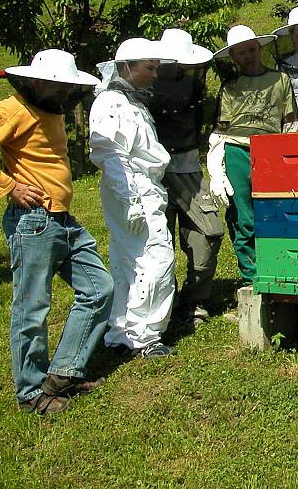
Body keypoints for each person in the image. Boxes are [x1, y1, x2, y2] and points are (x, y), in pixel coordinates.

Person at [0, 49, 112, 414]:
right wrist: (9, 187)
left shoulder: (46, 110)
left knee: (100, 288)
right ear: (38, 82)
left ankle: (64, 373)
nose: (64, 93)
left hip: (62, 219)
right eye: (60, 86)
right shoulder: (12, 110)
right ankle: (30, 393)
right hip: (34, 221)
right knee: (32, 307)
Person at [89, 38, 176, 359]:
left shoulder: (129, 101)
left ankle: (121, 332)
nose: (155, 75)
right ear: (127, 67)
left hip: (141, 187)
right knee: (156, 260)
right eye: (149, 68)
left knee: (130, 260)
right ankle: (143, 336)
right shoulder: (111, 103)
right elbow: (111, 154)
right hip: (132, 188)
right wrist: (131, 201)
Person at [207, 25, 298, 287]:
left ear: (259, 49)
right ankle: (250, 276)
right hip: (237, 151)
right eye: (241, 53)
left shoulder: (281, 80)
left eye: (251, 49)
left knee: (275, 211)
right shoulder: (230, 87)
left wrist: (292, 156)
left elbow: (289, 121)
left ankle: (278, 266)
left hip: (272, 151)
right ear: (233, 57)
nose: (248, 56)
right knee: (243, 216)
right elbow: (221, 131)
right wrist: (217, 168)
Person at [149, 29, 226, 329]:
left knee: (209, 233)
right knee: (157, 242)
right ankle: (159, 307)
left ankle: (194, 300)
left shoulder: (193, 81)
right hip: (153, 173)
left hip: (189, 167)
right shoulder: (146, 83)